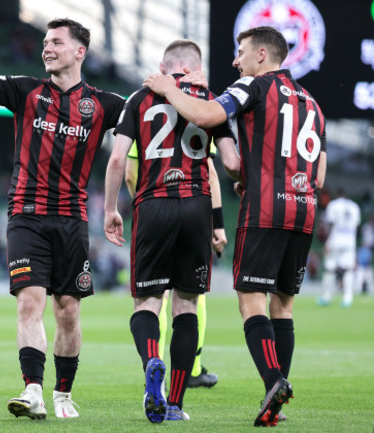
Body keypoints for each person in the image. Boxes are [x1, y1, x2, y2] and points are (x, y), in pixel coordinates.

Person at [144, 26, 327, 426]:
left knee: (250, 300)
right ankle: (275, 392)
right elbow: (322, 172)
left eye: (240, 51)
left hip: (265, 209)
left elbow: (208, 115)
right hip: (305, 209)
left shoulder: (253, 85)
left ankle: (274, 381)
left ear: (262, 55)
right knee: (284, 304)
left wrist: (167, 89)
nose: (235, 60)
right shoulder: (312, 103)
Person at [0, 8, 125, 420]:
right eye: (46, 42)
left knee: (67, 310)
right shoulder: (26, 91)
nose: (47, 48)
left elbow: (154, 121)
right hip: (26, 215)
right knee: (29, 304)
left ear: (80, 51)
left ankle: (63, 393)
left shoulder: (106, 104)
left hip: (71, 221)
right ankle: (32, 390)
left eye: (57, 42)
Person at [104, 40, 240, 423]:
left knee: (147, 304)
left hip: (153, 204)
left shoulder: (139, 98)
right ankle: (176, 405)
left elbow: (118, 159)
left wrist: (110, 209)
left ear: (164, 66)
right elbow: (225, 164)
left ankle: (152, 361)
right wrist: (218, 219)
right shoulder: (213, 102)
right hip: (196, 206)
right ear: (197, 67)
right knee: (187, 307)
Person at [124, 142, 225, 388]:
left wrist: (144, 203)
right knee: (190, 302)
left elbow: (128, 174)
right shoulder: (203, 112)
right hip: (194, 212)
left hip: (154, 211)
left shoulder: (142, 108)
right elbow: (210, 171)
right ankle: (191, 370)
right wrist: (218, 222)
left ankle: (152, 364)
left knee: (152, 300)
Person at [318, 189, 361, 307]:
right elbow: (357, 227)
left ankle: (326, 297)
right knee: (348, 269)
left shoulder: (333, 205)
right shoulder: (354, 206)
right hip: (349, 241)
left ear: (337, 195)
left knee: (330, 269)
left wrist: (327, 242)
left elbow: (329, 224)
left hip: (335, 240)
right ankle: (348, 298)